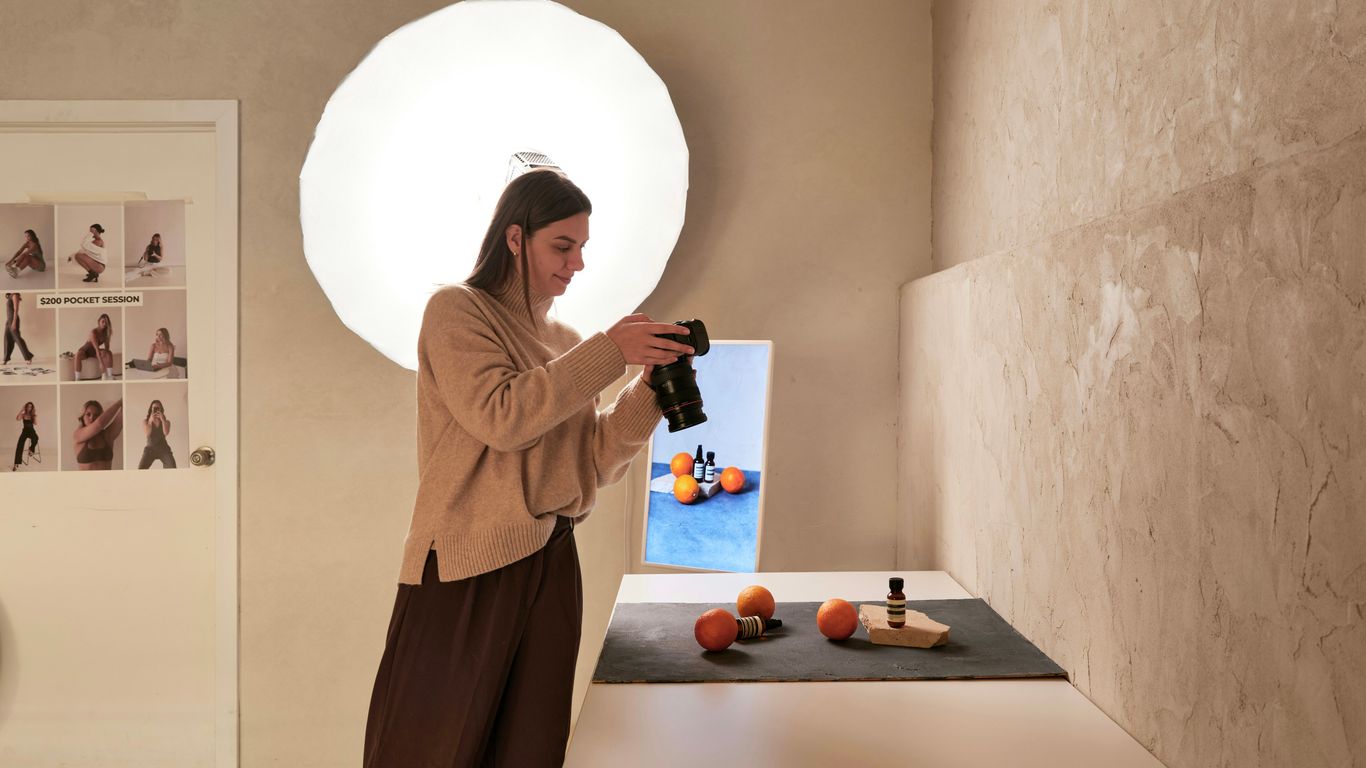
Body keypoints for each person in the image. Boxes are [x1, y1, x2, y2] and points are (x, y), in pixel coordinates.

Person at [363, 169, 693, 768]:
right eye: (562, 247)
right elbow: (502, 416)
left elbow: (592, 462)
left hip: (550, 558)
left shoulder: (566, 339)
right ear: (515, 239)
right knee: (429, 748)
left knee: (529, 750)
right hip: (468, 561)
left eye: (582, 248)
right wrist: (610, 351)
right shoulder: (457, 312)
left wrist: (647, 389)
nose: (576, 265)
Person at [73, 398, 121, 471]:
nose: (92, 417)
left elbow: (122, 418)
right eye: (88, 414)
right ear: (82, 417)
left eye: (96, 415)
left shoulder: (107, 434)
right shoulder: (77, 435)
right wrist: (120, 402)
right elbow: (99, 424)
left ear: (100, 416)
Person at [74, 313, 115, 380]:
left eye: (106, 322)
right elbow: (96, 349)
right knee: (77, 354)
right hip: (85, 351)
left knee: (109, 352)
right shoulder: (94, 332)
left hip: (94, 352)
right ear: (99, 322)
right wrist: (101, 363)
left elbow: (107, 347)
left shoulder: (106, 333)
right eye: (103, 321)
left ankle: (109, 376)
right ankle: (77, 379)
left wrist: (105, 353)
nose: (104, 324)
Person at [137, 399, 175, 469]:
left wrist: (163, 419)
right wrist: (150, 421)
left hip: (163, 448)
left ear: (161, 409)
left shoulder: (166, 421)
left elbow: (166, 433)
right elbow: (147, 433)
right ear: (151, 410)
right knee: (140, 470)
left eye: (158, 408)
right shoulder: (145, 421)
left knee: (172, 468)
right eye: (154, 408)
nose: (156, 410)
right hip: (150, 449)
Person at [3, 292, 34, 366]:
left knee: (17, 339)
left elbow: (16, 309)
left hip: (14, 320)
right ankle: (6, 359)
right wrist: (8, 322)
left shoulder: (15, 295)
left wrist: (14, 322)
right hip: (8, 321)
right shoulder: (10, 295)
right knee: (7, 339)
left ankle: (28, 357)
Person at [12, 401, 39, 471]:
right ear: (26, 407)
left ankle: (31, 449)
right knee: (19, 445)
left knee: (36, 438)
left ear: (32, 408)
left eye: (30, 407)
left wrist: (35, 416)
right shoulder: (23, 415)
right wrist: (21, 410)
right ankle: (16, 464)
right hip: (24, 432)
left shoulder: (33, 415)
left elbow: (35, 424)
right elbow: (17, 418)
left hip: (31, 431)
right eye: (28, 406)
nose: (29, 408)